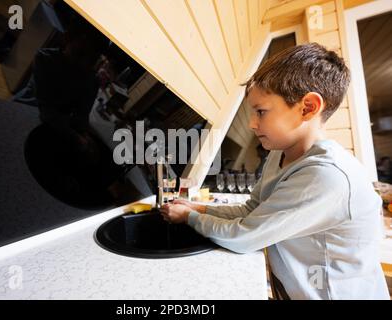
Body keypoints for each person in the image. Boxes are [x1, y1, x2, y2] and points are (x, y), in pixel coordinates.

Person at [160, 43, 390, 300]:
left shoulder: (326, 175)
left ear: (308, 108)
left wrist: (188, 218)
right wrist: (199, 209)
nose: (251, 123)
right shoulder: (279, 154)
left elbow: (245, 236)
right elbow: (252, 211)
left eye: (261, 111)